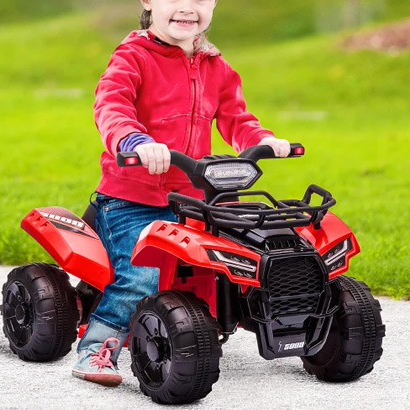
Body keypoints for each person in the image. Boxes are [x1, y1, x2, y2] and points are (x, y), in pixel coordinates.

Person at [72, 0, 291, 387]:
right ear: (148, 2)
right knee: (143, 275)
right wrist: (134, 141)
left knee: (255, 253)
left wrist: (261, 140)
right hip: (132, 198)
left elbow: (236, 117)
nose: (188, 8)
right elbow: (112, 105)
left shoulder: (215, 66)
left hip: (195, 196)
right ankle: (96, 349)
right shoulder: (132, 57)